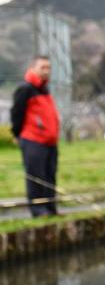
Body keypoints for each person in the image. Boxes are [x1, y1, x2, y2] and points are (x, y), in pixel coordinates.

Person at [10, 56, 60, 217]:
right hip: (33, 139)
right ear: (33, 68)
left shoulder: (45, 89)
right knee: (36, 176)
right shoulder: (25, 89)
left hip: (50, 141)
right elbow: (17, 113)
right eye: (42, 67)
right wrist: (17, 134)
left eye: (48, 67)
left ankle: (50, 208)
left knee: (49, 175)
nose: (46, 71)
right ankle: (39, 210)